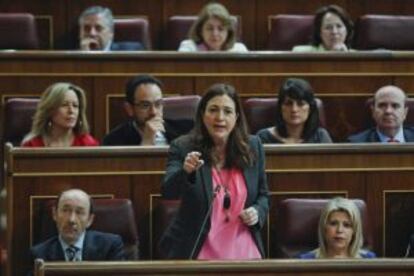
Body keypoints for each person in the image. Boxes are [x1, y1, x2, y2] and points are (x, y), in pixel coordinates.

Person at [159, 83, 269, 260]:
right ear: (203, 114)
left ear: (237, 117)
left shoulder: (253, 146)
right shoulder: (183, 146)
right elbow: (168, 191)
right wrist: (186, 172)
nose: (220, 117)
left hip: (244, 249)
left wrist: (257, 212)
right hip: (197, 248)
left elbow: (263, 196)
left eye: (227, 111)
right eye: (213, 110)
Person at [30, 189, 125, 263]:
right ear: (54, 214)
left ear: (89, 220)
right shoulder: (39, 254)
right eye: (65, 210)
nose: (71, 220)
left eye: (79, 212)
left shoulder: (109, 247)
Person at [102, 75, 193, 146]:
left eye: (158, 104)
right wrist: (146, 143)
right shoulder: (113, 141)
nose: (153, 112)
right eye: (145, 105)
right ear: (129, 109)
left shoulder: (187, 130)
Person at [21, 82, 99, 147]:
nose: (71, 111)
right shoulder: (32, 145)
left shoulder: (88, 144)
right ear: (50, 109)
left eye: (75, 106)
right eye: (64, 105)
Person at [257, 78, 332, 144]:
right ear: (280, 107)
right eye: (288, 103)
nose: (294, 109)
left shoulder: (320, 137)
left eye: (300, 104)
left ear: (310, 108)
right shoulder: (263, 138)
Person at [299, 197, 376, 259]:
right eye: (333, 224)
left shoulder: (368, 260)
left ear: (354, 231)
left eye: (347, 225)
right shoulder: (305, 261)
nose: (339, 230)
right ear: (324, 227)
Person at [347, 85, 414, 143]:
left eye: (395, 106)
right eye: (382, 105)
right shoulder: (356, 143)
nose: (388, 111)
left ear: (405, 112)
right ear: (373, 111)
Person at [178, 3, 248, 52]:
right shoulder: (189, 48)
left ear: (228, 32)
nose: (215, 33)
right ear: (200, 30)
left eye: (220, 29)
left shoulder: (239, 50)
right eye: (210, 28)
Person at [79, 6, 144, 51]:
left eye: (98, 28)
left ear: (111, 33)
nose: (92, 33)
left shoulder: (132, 50)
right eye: (86, 28)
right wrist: (83, 57)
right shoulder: (70, 56)